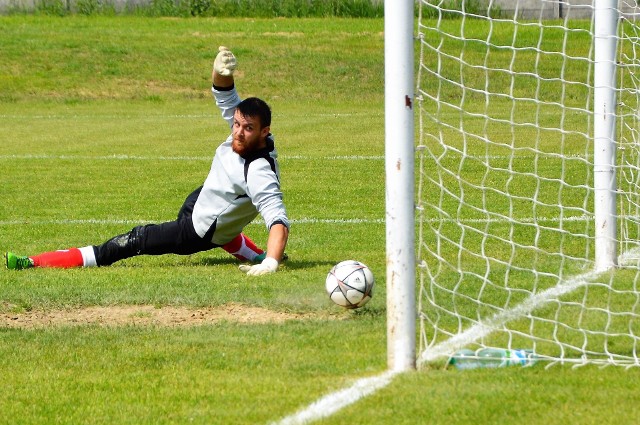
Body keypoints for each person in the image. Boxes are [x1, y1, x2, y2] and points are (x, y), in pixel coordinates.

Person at [4, 46, 289, 276]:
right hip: (203, 200)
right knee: (218, 225)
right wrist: (220, 70)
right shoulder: (245, 130)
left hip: (197, 231)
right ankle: (235, 241)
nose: (238, 131)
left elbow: (277, 219)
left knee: (136, 239)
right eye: (236, 124)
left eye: (247, 128)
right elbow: (226, 96)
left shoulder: (258, 170)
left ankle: (33, 262)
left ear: (264, 132)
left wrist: (271, 264)